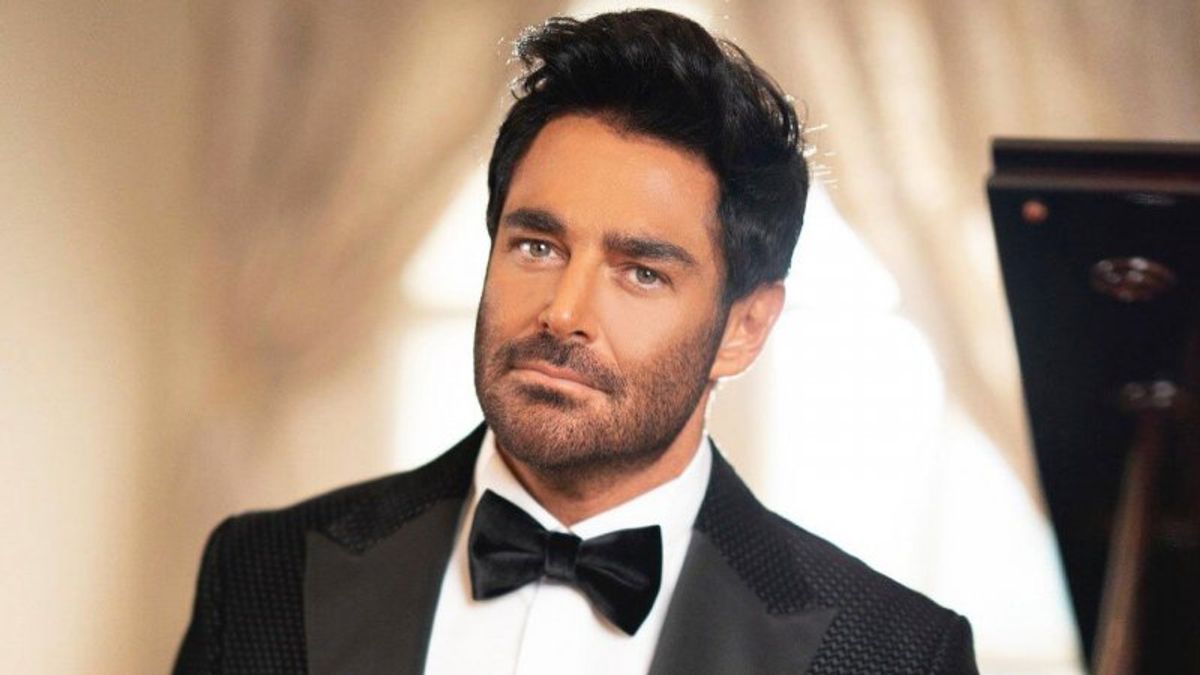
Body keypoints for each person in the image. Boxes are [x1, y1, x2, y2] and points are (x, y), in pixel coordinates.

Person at [174, 9, 978, 674]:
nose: (563, 312)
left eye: (641, 273)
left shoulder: (894, 656)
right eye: (537, 246)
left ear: (745, 328)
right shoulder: (260, 571)